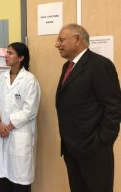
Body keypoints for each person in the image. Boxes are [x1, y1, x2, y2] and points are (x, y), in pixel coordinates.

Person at [55, 24, 121, 192]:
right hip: (71, 147)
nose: (57, 44)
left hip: (94, 148)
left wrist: (103, 141)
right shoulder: (67, 67)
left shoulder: (100, 65)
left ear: (78, 39)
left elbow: (114, 107)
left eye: (61, 39)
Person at [0, 42, 41, 192]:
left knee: (20, 178)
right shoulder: (2, 78)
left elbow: (30, 110)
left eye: (10, 53)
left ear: (21, 58)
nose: (6, 55)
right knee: (3, 176)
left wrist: (8, 127)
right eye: (6, 52)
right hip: (1, 132)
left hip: (19, 134)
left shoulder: (30, 80)